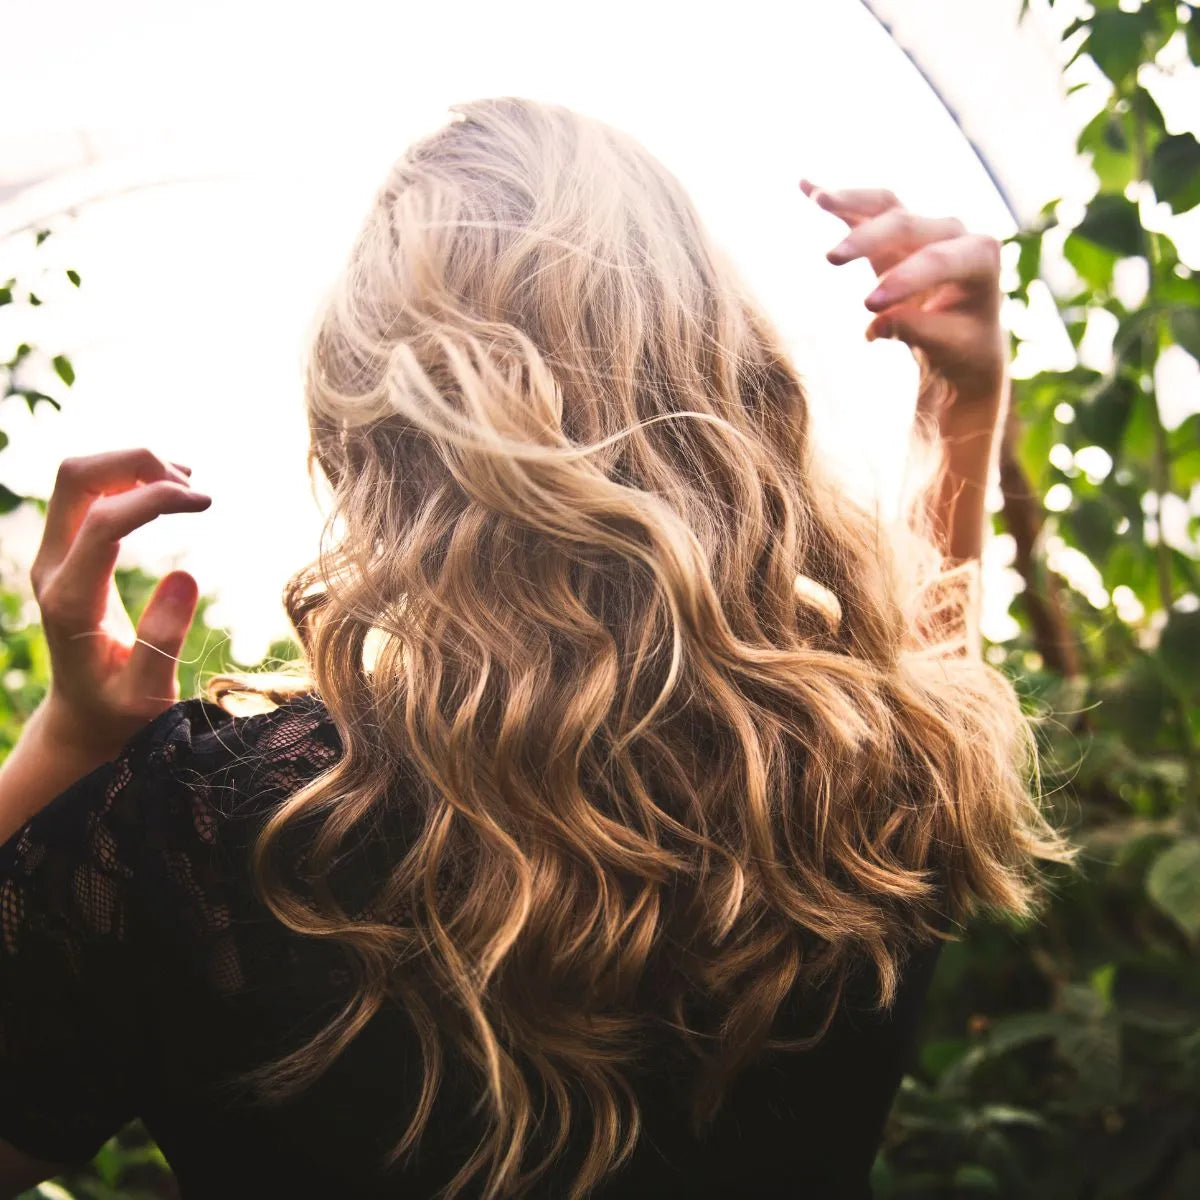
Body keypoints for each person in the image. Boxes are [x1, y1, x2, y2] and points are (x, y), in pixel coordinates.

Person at [0, 97, 1071, 1199]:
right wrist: (963, 400)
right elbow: (928, 678)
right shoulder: (879, 782)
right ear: (719, 378)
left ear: (367, 425)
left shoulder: (209, 835)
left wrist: (70, 742)